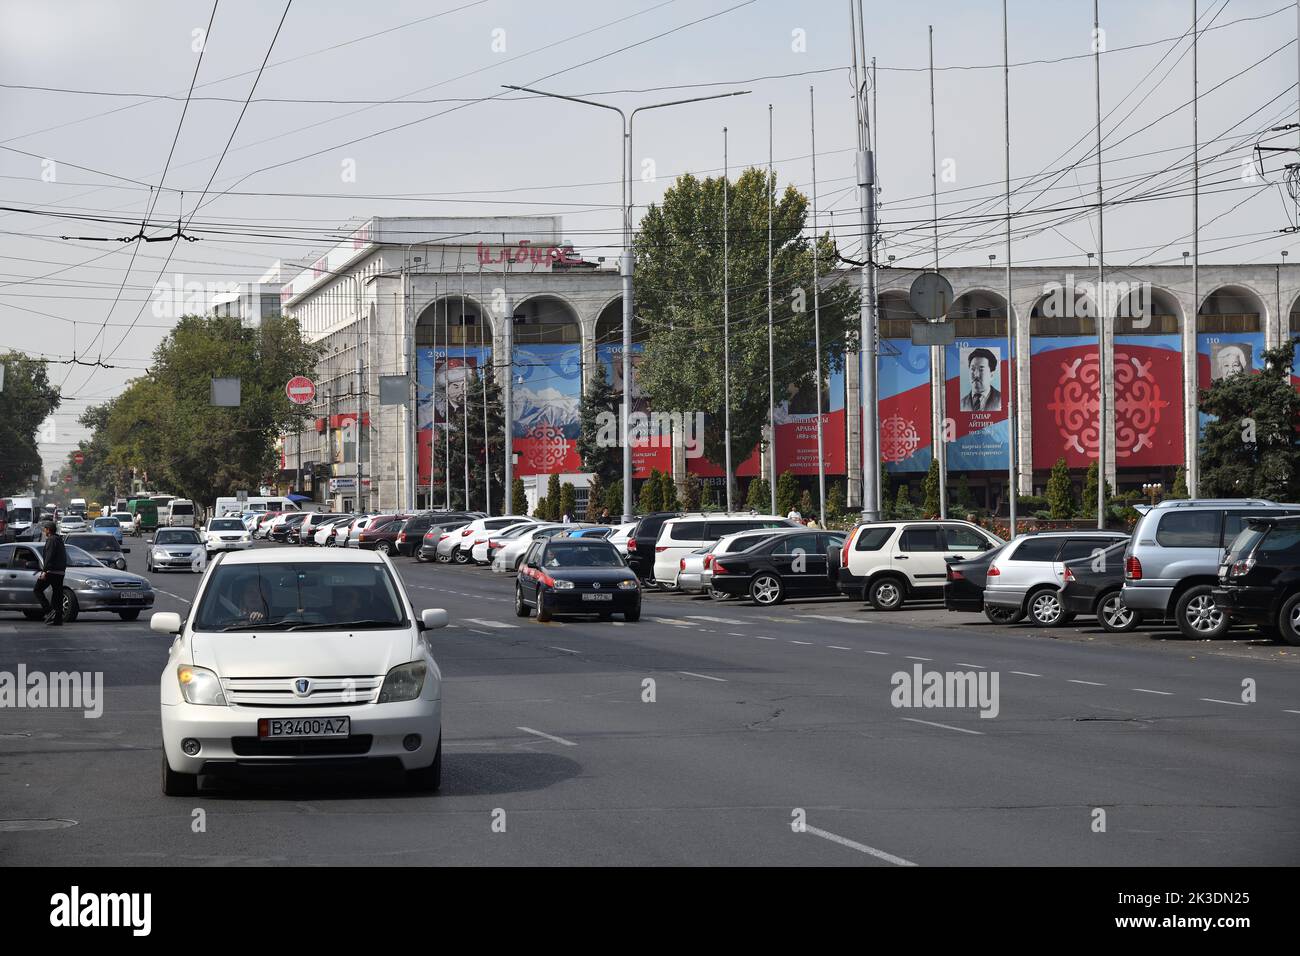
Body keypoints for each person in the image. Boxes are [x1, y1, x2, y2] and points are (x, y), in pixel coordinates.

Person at [34, 521, 67, 626]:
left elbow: (49, 556)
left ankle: (48, 611)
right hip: (60, 572)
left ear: (48, 530)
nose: (44, 531)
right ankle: (58, 619)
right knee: (57, 595)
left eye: (45, 529)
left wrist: (44, 571)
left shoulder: (51, 540)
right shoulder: (59, 540)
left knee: (37, 590)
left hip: (51, 571)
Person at [960, 348, 1002, 412]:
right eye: (973, 369)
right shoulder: (961, 403)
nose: (976, 375)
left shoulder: (1001, 400)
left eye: (981, 370)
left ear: (991, 375)